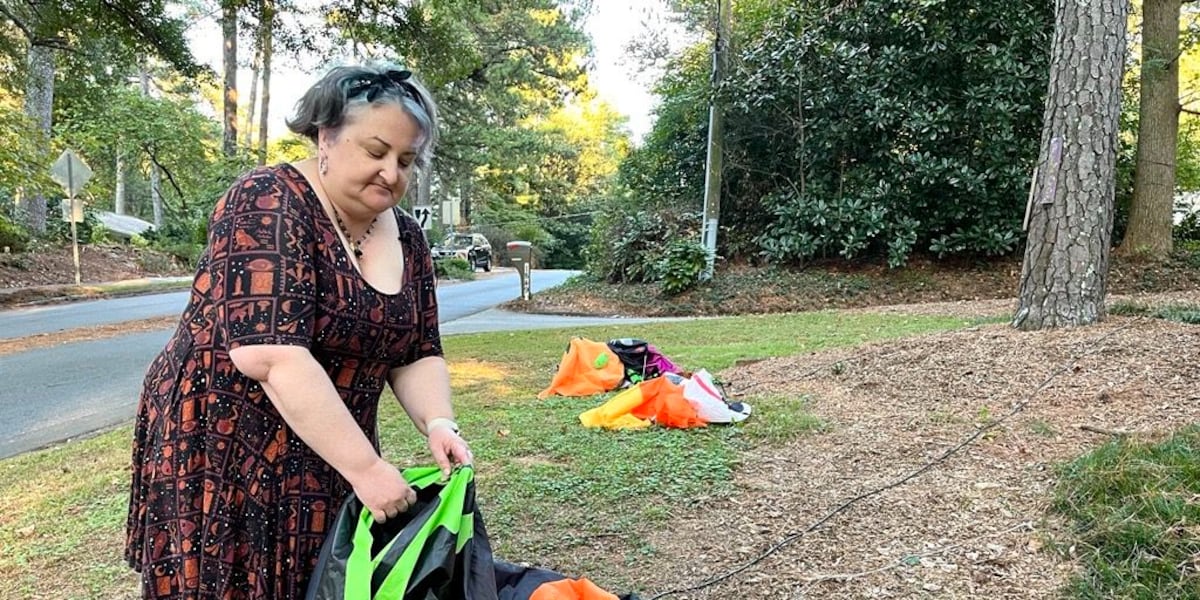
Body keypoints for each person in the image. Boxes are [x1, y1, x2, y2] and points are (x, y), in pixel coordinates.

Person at [124, 63, 473, 599]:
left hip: (329, 434)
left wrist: (438, 421)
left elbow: (417, 350)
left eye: (406, 161)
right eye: (375, 151)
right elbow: (271, 355)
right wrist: (367, 468)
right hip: (228, 440)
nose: (391, 173)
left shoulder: (407, 235)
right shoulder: (267, 200)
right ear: (326, 136)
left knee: (316, 576)